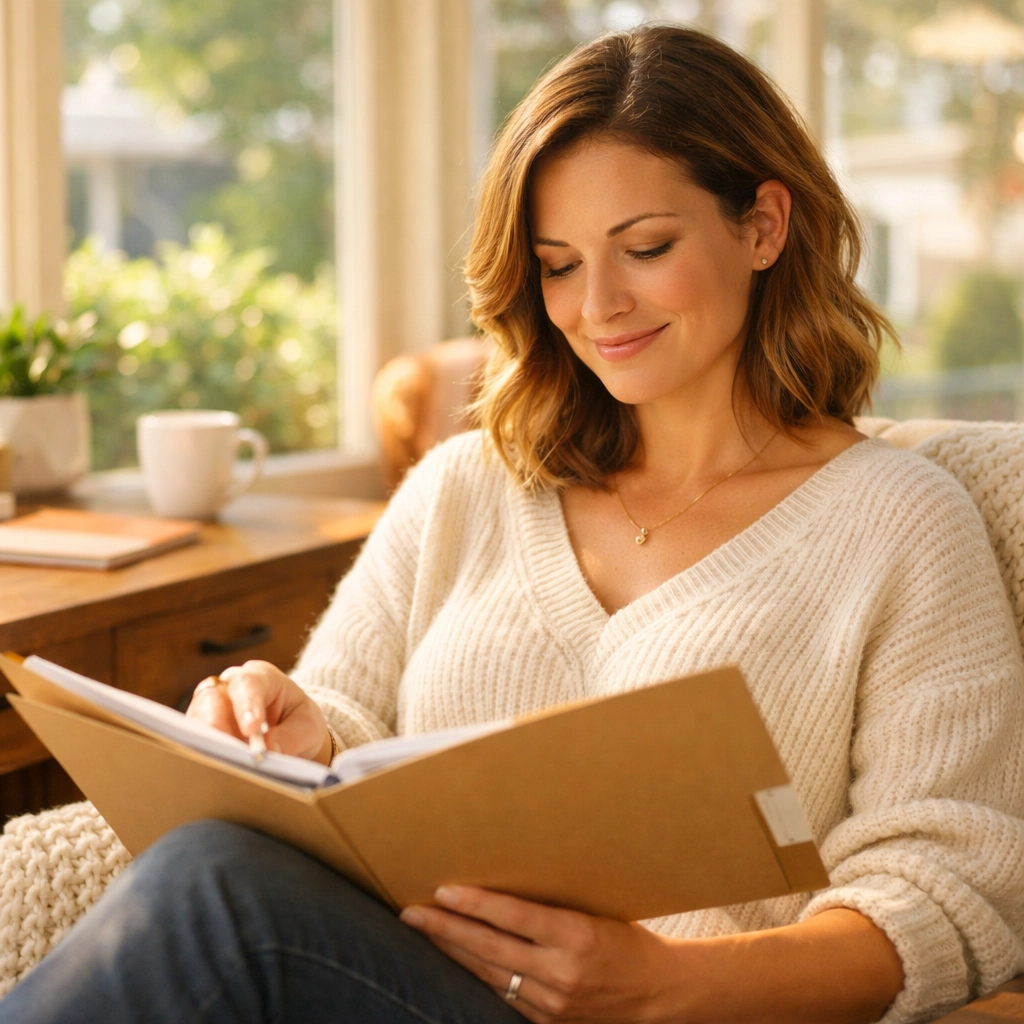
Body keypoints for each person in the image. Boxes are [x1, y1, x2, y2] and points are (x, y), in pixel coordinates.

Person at [3, 23, 1024, 1024]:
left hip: (689, 1009)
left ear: (762, 223)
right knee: (213, 871)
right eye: (559, 263)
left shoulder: (902, 523)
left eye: (646, 247)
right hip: (390, 981)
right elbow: (345, 724)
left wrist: (667, 985)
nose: (599, 305)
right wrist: (298, 725)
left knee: (213, 889)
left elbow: (948, 891)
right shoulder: (467, 487)